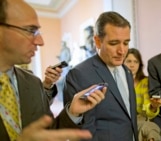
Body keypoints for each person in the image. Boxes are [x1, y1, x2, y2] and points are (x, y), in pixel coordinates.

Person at [0, 0, 106, 141]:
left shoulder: (33, 83)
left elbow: (49, 132)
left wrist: (72, 111)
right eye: (31, 30)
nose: (40, 42)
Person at [63, 11, 138, 141]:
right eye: (114, 43)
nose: (122, 51)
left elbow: (129, 117)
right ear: (97, 41)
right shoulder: (79, 74)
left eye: (126, 43)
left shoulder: (127, 71)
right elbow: (83, 132)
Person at [124, 48, 161, 141]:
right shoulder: (118, 81)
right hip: (122, 119)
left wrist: (152, 107)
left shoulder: (145, 82)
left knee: (150, 128)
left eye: (136, 62)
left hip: (140, 118)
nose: (132, 65)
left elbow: (147, 110)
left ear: (139, 65)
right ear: (123, 62)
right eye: (129, 61)